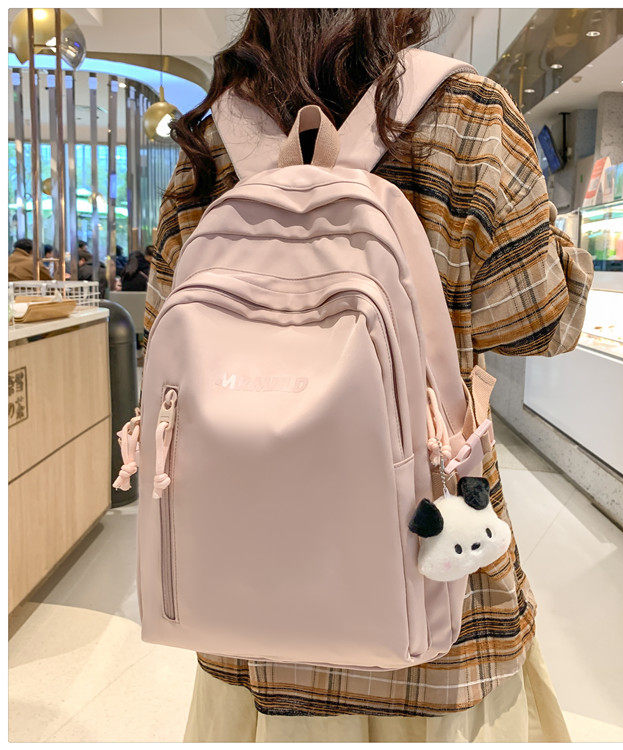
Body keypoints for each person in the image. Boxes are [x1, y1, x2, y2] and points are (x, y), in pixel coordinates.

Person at [144, 9, 593, 743]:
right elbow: (539, 324)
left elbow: (164, 328)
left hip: (246, 605)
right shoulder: (468, 114)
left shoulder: (216, 134)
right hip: (432, 580)